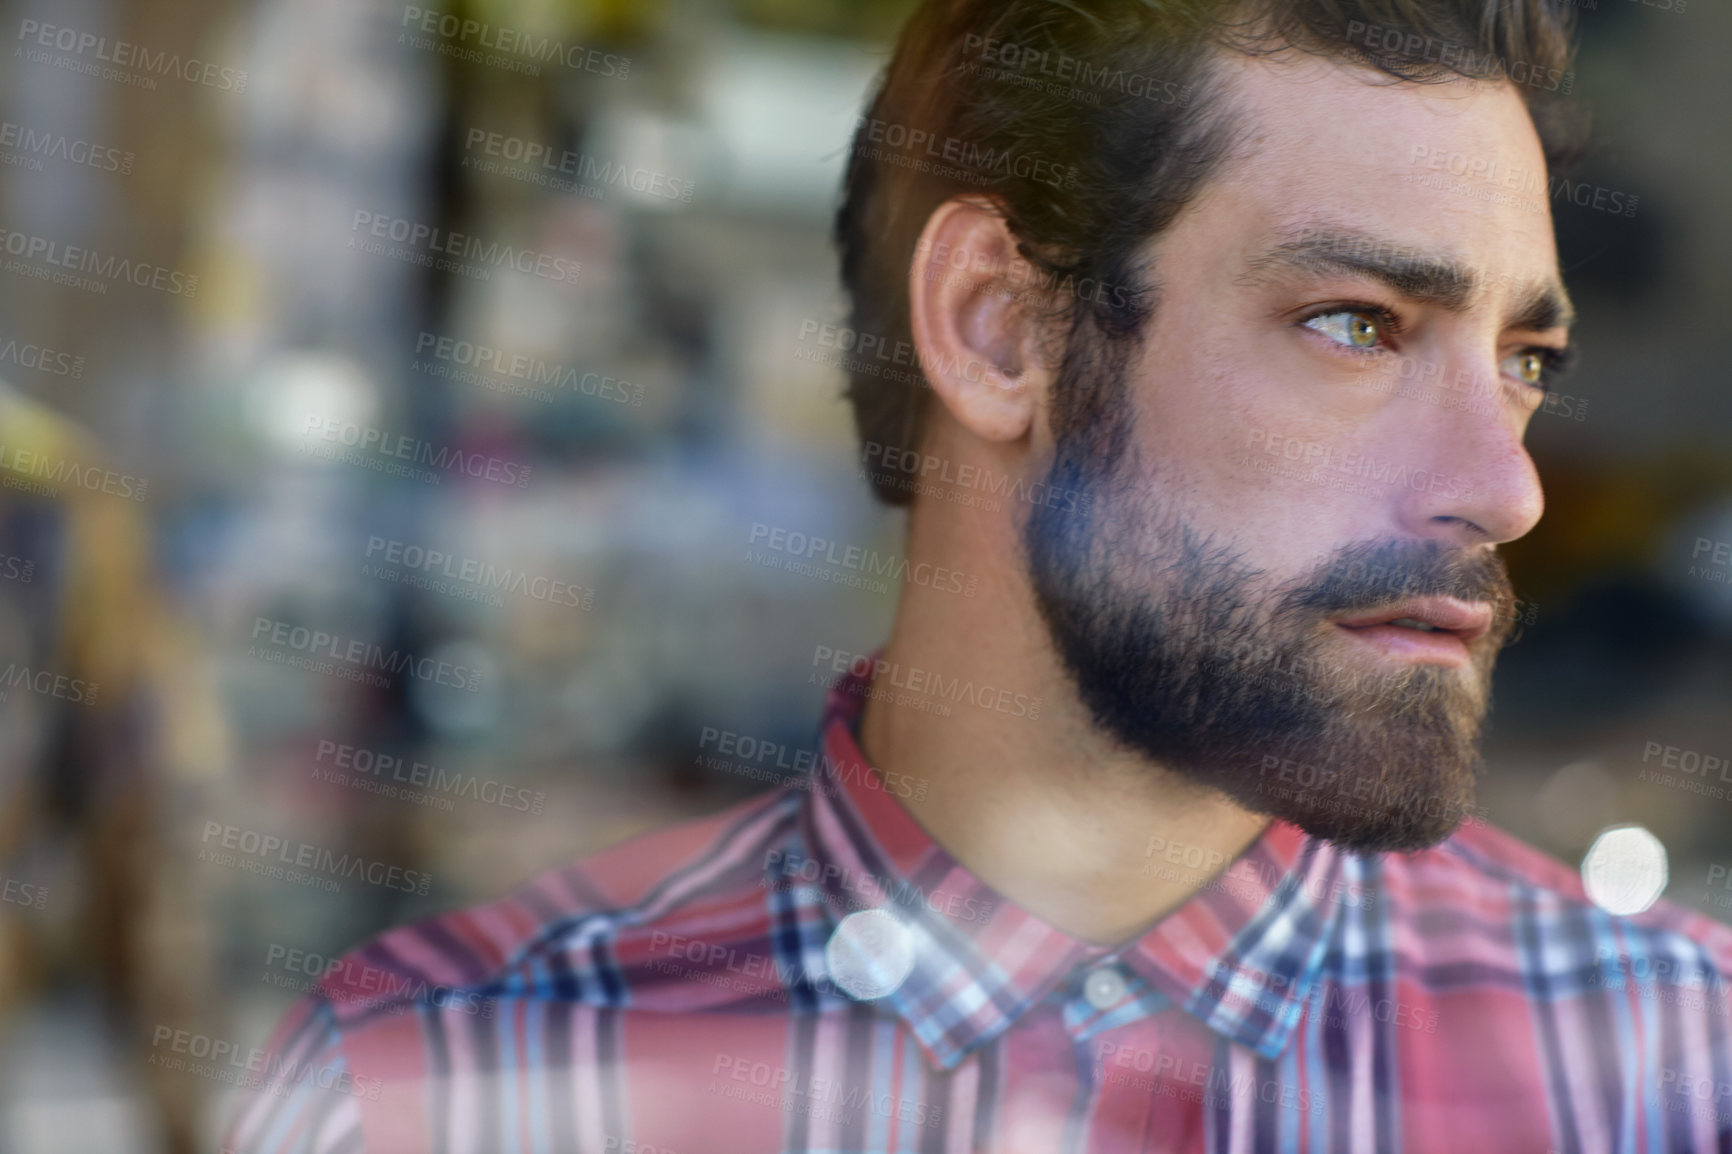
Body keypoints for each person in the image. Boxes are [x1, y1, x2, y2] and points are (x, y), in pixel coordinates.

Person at [228, 1, 1732, 1150]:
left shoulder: (1672, 1066)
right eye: (1359, 325)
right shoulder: (442, 1087)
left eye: (1526, 360)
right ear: (999, 329)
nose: (1508, 484)